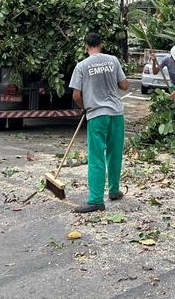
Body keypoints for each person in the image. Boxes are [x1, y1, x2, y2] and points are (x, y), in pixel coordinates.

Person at [69, 31, 129, 213]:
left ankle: (95, 200)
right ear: (101, 44)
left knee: (96, 156)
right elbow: (124, 85)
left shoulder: (82, 66)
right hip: (116, 113)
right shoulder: (113, 60)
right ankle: (113, 190)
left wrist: (85, 106)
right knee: (114, 153)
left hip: (97, 114)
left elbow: (76, 95)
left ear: (86, 46)